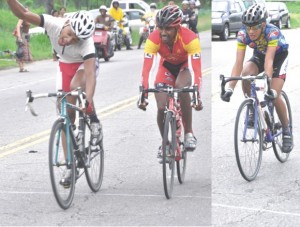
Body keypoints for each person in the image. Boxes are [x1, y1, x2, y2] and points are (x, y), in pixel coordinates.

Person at [7, 0, 102, 185]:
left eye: (75, 40)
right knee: (65, 113)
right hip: (65, 65)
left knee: (77, 89)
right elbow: (23, 14)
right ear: (66, 24)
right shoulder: (53, 23)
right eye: (69, 35)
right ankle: (70, 166)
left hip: (84, 66)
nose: (69, 40)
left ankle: (94, 120)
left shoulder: (86, 43)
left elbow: (90, 75)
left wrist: (88, 102)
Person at [220, 4, 293, 153]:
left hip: (278, 58)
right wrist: (230, 88)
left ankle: (286, 131)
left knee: (274, 93)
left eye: (255, 27)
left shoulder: (272, 33)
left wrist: (267, 80)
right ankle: (253, 108)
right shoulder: (242, 35)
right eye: (248, 27)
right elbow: (238, 64)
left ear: (263, 24)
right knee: (246, 74)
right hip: (259, 56)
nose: (251, 31)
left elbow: (269, 61)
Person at [137, 5, 203, 162]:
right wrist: (144, 93)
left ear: (177, 27)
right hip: (165, 68)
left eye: (168, 28)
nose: (163, 32)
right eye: (160, 27)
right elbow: (148, 68)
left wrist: (197, 94)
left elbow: (196, 70)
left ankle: (188, 133)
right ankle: (165, 144)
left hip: (184, 68)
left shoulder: (190, 38)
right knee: (161, 107)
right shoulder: (153, 38)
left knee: (182, 89)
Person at [14, 7, 32, 72]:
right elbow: (18, 26)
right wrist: (19, 37)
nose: (27, 11)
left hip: (25, 36)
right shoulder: (22, 18)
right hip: (22, 36)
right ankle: (21, 67)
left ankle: (22, 67)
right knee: (21, 51)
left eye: (28, 10)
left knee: (22, 51)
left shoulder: (26, 18)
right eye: (25, 10)